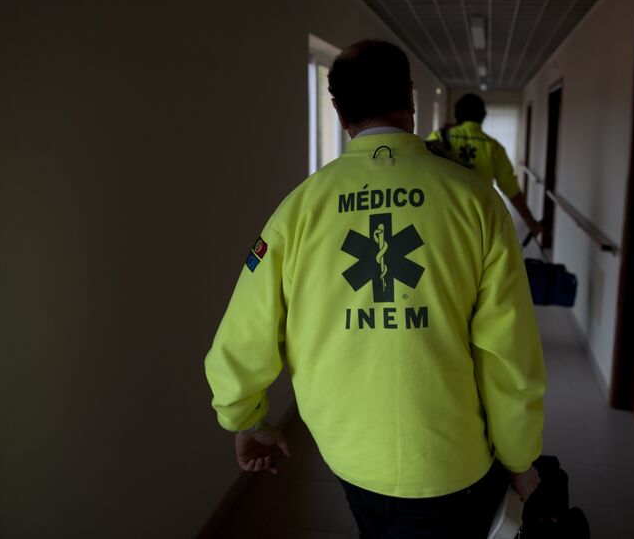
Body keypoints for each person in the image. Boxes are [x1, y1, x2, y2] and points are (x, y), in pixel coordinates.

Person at [204, 40, 546, 537]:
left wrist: (245, 419)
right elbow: (508, 351)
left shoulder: (297, 210)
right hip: (452, 463)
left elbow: (242, 334)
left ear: (338, 109)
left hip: (350, 457)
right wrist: (519, 457)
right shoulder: (476, 202)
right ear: (410, 97)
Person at [426, 93, 544, 237]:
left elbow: (425, 173)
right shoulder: (493, 147)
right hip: (480, 220)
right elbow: (511, 188)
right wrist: (531, 222)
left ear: (456, 115)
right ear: (483, 116)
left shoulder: (439, 137)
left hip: (444, 216)